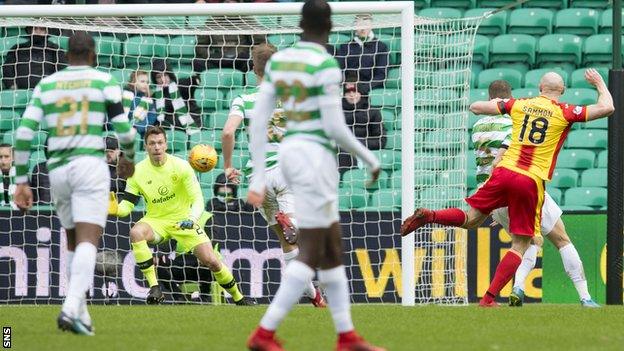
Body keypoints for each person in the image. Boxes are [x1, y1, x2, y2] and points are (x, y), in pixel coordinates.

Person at [401, 69, 614, 308]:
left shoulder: (521, 104)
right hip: (529, 180)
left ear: (540, 89)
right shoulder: (565, 111)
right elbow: (607, 108)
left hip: (501, 173)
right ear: (562, 91)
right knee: (526, 243)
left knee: (471, 219)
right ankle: (491, 298)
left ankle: (430, 215)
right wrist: (599, 83)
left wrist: (493, 103)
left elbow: (477, 107)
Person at [246, 1, 383, 350]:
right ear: (329, 27)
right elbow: (335, 127)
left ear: (301, 24)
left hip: (289, 154)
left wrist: (258, 175)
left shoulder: (279, 62)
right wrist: (368, 156)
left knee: (332, 248)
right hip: (314, 158)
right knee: (312, 250)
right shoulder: (325, 64)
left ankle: (346, 334)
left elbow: (259, 121)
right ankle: (265, 331)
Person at [13, 31, 136, 335]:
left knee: (71, 240)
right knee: (88, 241)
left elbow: (24, 133)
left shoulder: (48, 84)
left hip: (56, 168)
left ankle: (81, 315)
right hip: (89, 165)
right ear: (93, 55)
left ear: (67, 55)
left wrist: (21, 180)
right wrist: (128, 158)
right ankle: (69, 307)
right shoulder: (103, 81)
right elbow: (125, 130)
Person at [470, 81, 599, 307]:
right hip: (520, 184)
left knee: (524, 242)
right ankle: (585, 297)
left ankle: (517, 289)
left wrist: (492, 201)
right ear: (507, 98)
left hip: (494, 193)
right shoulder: (515, 119)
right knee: (561, 239)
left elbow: (485, 164)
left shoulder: (479, 127)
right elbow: (502, 157)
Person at [222, 43, 326, 308]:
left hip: (258, 178)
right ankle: (295, 223)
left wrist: (228, 166)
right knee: (302, 230)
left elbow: (228, 132)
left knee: (286, 244)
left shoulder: (243, 100)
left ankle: (313, 295)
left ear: (253, 68)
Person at [107, 126, 254, 306]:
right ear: (145, 147)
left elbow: (198, 199)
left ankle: (239, 298)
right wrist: (115, 209)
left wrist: (192, 219)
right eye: (152, 143)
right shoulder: (137, 172)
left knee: (213, 261)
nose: (157, 147)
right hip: (156, 221)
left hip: (184, 220)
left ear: (166, 145)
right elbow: (126, 207)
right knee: (136, 232)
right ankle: (155, 288)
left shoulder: (181, 166)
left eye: (160, 142)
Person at [334, 14, 389, 92]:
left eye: (366, 24)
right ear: (354, 26)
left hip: (367, 88)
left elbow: (381, 75)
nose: (363, 29)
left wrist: (364, 87)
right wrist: (345, 85)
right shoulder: (345, 46)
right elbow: (339, 70)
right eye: (360, 25)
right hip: (348, 88)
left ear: (371, 26)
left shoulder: (381, 47)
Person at [2, 26, 67, 89]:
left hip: (47, 91)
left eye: (42, 29)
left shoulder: (56, 50)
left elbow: (61, 72)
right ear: (30, 30)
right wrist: (11, 85)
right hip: (20, 92)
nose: (37, 31)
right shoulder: (17, 48)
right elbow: (7, 69)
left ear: (47, 31)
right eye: (35, 28)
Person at [150, 59, 201, 132]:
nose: (162, 79)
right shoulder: (156, 96)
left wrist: (196, 79)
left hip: (192, 124)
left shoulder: (181, 84)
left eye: (165, 75)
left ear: (170, 74)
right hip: (172, 129)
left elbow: (194, 81)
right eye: (158, 77)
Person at [342, 73, 385, 150]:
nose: (351, 95)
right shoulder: (338, 113)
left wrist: (356, 143)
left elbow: (381, 141)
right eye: (348, 92)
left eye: (354, 91)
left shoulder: (373, 112)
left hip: (364, 153)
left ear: (361, 93)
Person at [122, 70, 158, 137]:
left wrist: (135, 128)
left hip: (139, 133)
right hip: (121, 129)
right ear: (133, 82)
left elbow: (150, 120)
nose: (145, 84)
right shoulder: (124, 96)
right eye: (142, 81)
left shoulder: (149, 102)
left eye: (147, 82)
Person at [0, 144, 16, 208]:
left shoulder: (21, 177)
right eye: (0, 157)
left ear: (13, 158)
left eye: (6, 156)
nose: (3, 160)